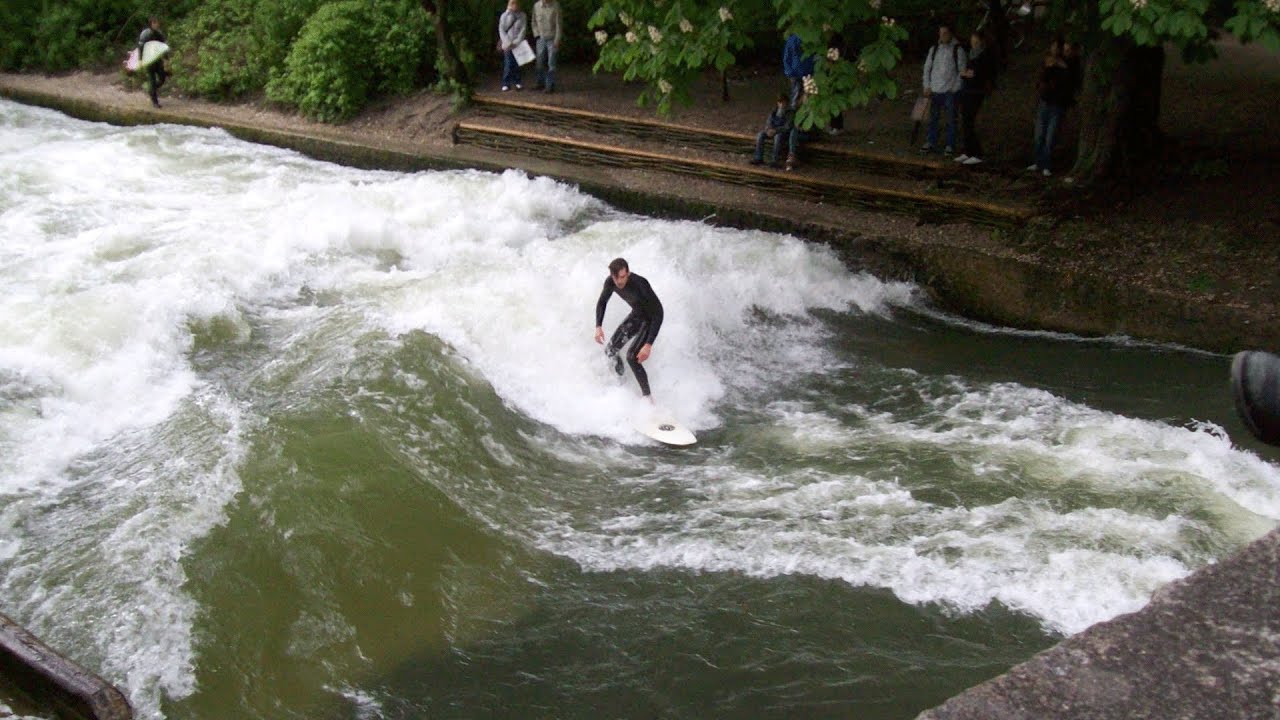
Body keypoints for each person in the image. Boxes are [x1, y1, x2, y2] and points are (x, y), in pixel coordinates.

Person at [594, 258, 664, 400]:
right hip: (637, 316)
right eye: (616, 278)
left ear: (628, 273)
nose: (620, 281)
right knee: (610, 351)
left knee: (632, 357)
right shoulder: (610, 282)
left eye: (623, 277)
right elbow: (602, 302)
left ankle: (648, 398)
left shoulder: (640, 283)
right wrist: (598, 326)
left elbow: (658, 313)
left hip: (651, 319)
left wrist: (648, 345)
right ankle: (623, 385)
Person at [1027, 37, 1071, 176]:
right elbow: (1040, 80)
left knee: (1050, 137)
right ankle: (1038, 161)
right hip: (1045, 102)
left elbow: (1067, 83)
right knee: (1039, 135)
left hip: (1057, 104)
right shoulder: (1046, 63)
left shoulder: (1065, 65)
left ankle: (1047, 164)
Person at [921, 22, 966, 155]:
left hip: (949, 90)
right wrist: (927, 85)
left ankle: (950, 144)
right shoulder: (934, 49)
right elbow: (927, 68)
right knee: (933, 118)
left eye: (945, 33)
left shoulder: (958, 50)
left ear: (951, 34)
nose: (942, 36)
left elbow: (961, 71)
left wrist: (955, 87)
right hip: (934, 89)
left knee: (951, 119)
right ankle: (931, 141)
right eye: (940, 33)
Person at [956, 30, 998, 166]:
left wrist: (969, 74)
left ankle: (977, 152)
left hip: (976, 92)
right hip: (968, 90)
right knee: (965, 120)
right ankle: (968, 150)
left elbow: (979, 75)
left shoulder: (985, 56)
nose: (973, 44)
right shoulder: (972, 55)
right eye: (972, 41)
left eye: (975, 41)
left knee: (969, 120)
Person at [750, 94, 794, 167]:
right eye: (780, 103)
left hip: (782, 132)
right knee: (760, 135)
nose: (782, 105)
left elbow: (787, 126)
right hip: (772, 130)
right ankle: (758, 157)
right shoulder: (774, 111)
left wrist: (776, 130)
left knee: (778, 137)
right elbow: (769, 122)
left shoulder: (790, 113)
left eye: (783, 102)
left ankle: (775, 160)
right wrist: (769, 129)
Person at [497, 0, 527, 92]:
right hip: (507, 44)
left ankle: (517, 82)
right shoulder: (504, 16)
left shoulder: (522, 16)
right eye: (512, 3)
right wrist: (507, 42)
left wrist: (517, 42)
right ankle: (505, 83)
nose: (514, 6)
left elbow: (523, 30)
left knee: (517, 63)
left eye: (516, 3)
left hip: (518, 43)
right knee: (508, 64)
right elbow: (501, 29)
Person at [137, 16, 167, 108]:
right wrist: (141, 60)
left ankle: (151, 90)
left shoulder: (159, 34)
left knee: (162, 78)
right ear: (151, 24)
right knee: (152, 80)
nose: (157, 24)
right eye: (155, 23)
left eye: (157, 23)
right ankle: (155, 102)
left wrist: (166, 59)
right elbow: (141, 47)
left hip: (157, 59)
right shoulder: (145, 34)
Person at [532, 0, 561, 93]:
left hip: (552, 38)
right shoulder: (536, 6)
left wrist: (557, 40)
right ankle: (540, 82)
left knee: (551, 63)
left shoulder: (556, 6)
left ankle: (550, 85)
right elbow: (534, 21)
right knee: (539, 62)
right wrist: (536, 34)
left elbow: (559, 25)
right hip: (540, 38)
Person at [782, 31, 815, 109]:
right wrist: (790, 73)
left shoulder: (812, 39)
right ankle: (794, 116)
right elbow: (787, 57)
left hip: (809, 73)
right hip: (797, 74)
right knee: (796, 98)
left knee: (811, 98)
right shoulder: (792, 39)